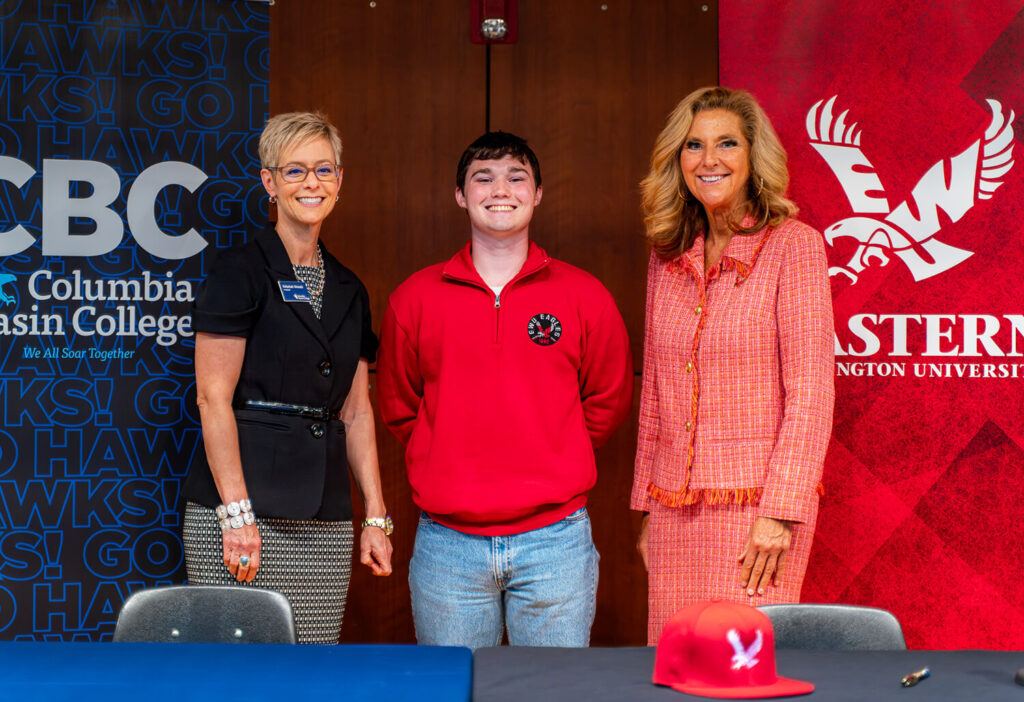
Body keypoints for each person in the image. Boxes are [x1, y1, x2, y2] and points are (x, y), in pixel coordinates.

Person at [377, 131, 632, 649]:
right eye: (483, 178)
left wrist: (557, 450)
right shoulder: (414, 298)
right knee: (456, 692)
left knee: (552, 694)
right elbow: (400, 406)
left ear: (537, 193)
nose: (501, 190)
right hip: (448, 545)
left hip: (555, 541)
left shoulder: (584, 295)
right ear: (459, 194)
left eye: (517, 178)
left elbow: (608, 397)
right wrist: (443, 449)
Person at [631, 87, 835, 644]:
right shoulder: (667, 256)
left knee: (743, 672)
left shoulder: (794, 247)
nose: (709, 159)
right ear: (677, 159)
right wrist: (646, 507)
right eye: (693, 145)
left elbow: (812, 392)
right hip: (674, 510)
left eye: (727, 143)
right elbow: (656, 392)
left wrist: (781, 513)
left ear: (753, 157)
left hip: (757, 515)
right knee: (675, 669)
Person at [181, 111, 392, 644]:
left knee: (312, 669)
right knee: (235, 673)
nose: (311, 183)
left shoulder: (350, 288)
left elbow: (357, 411)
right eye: (294, 171)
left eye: (323, 169)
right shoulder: (240, 272)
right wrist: (235, 514)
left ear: (340, 181)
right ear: (269, 183)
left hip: (324, 517)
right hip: (241, 511)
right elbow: (212, 399)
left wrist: (376, 516)